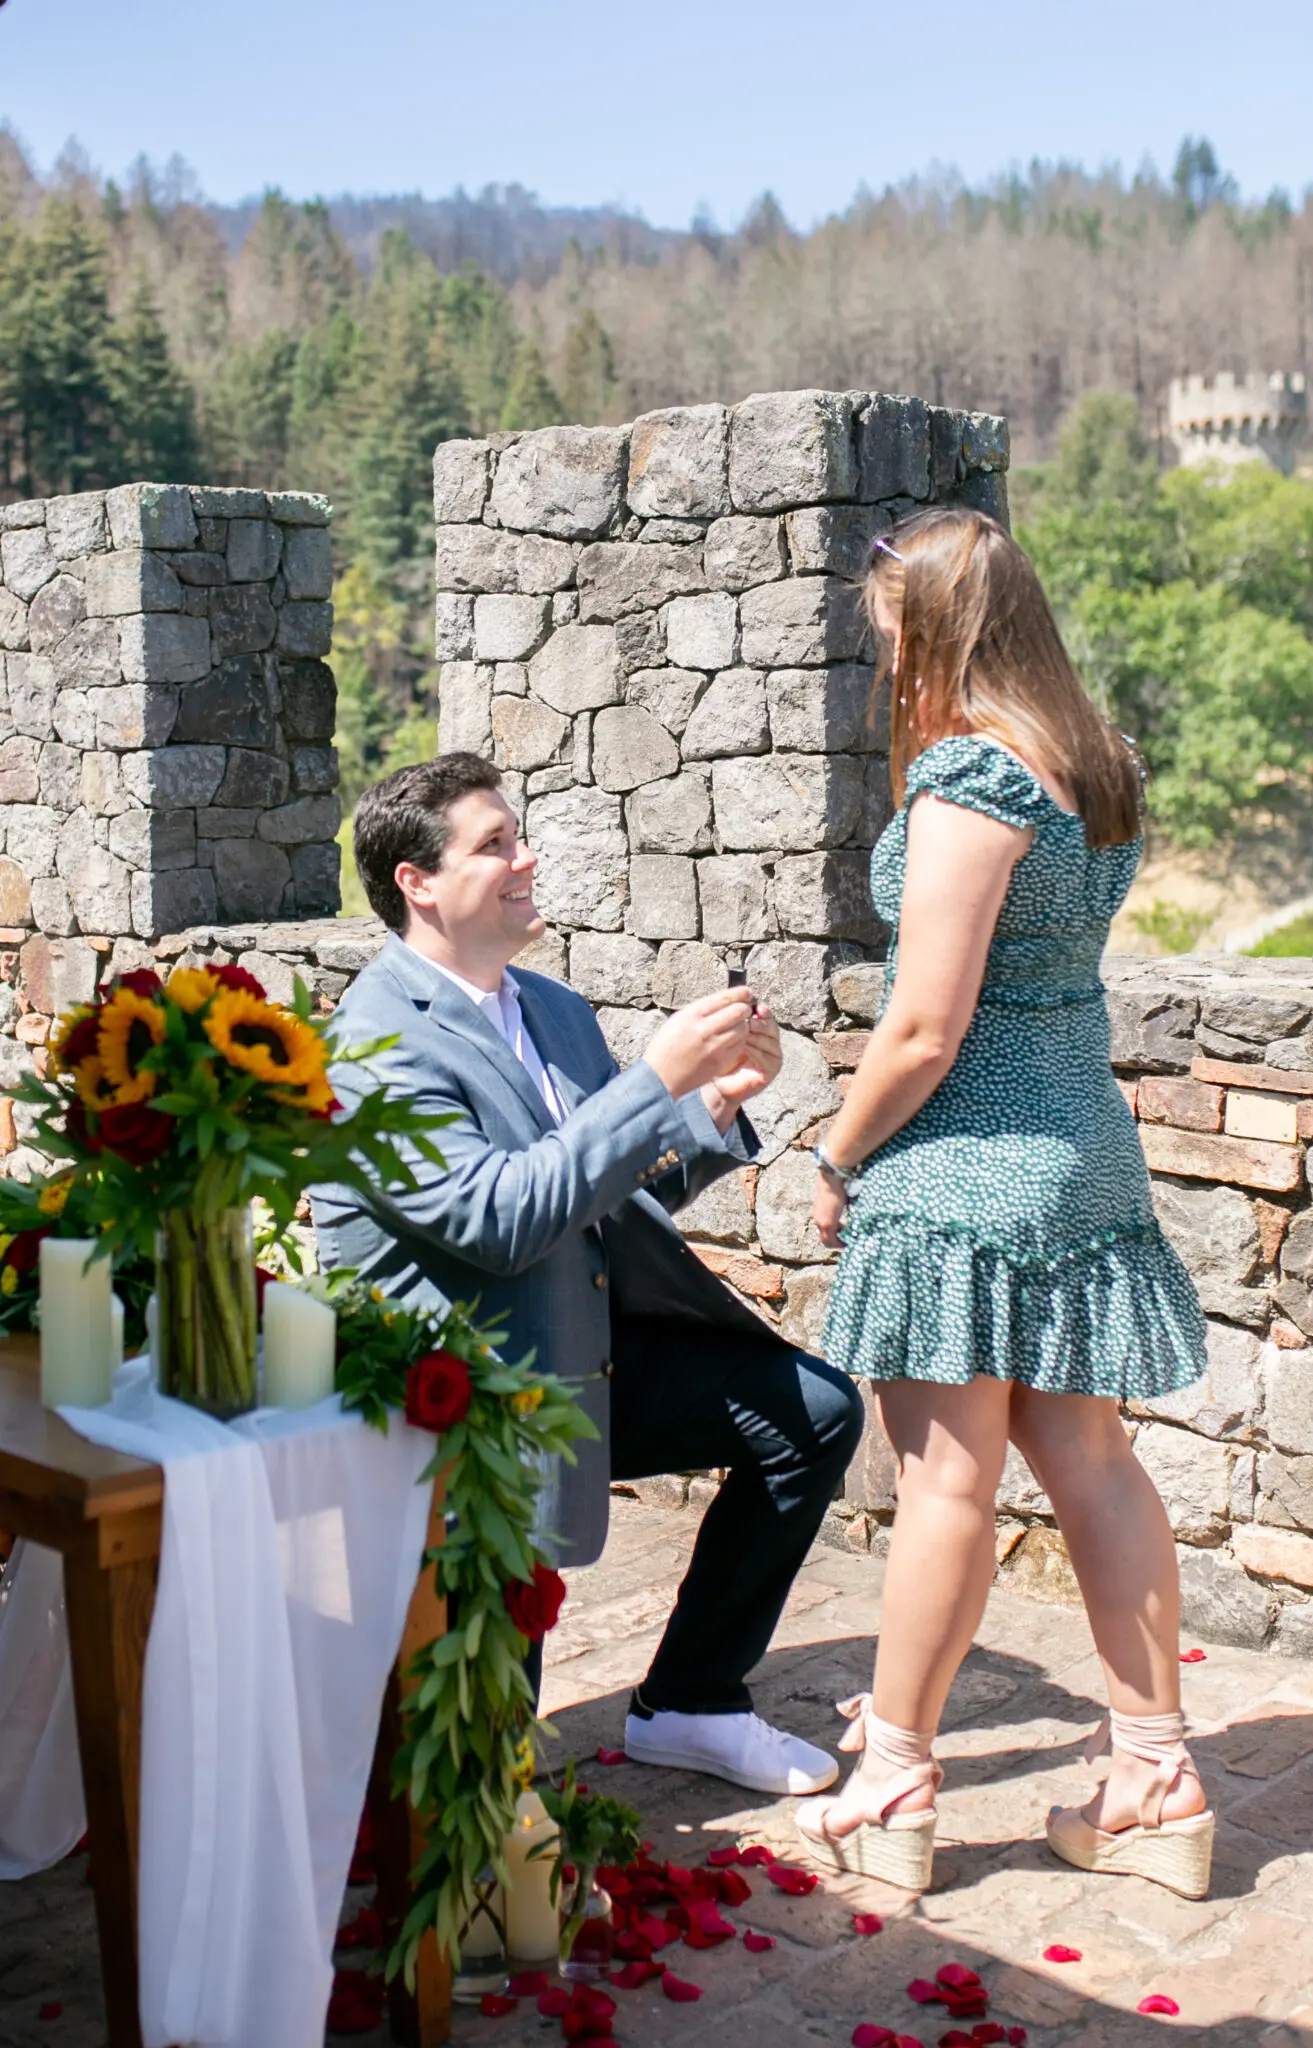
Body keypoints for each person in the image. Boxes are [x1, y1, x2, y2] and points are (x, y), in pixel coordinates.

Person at [793, 507, 1212, 1901]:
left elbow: (922, 1026)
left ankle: (897, 1776)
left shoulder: (974, 779)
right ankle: (1155, 1775)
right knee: (1089, 1462)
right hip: (1081, 1145)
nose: (883, 654)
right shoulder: (1096, 768)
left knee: (944, 1481)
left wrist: (834, 1153)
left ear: (937, 626)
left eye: (889, 631)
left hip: (967, 1162)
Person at [312, 752, 863, 1796]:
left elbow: (605, 1192)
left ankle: (692, 1700)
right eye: (495, 843)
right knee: (480, 1782)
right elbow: (499, 1218)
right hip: (465, 1410)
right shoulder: (372, 1040)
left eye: (518, 835)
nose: (528, 857)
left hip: (579, 1354)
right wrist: (655, 1077)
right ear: (415, 882)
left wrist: (710, 1109)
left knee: (814, 1412)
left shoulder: (555, 1010)